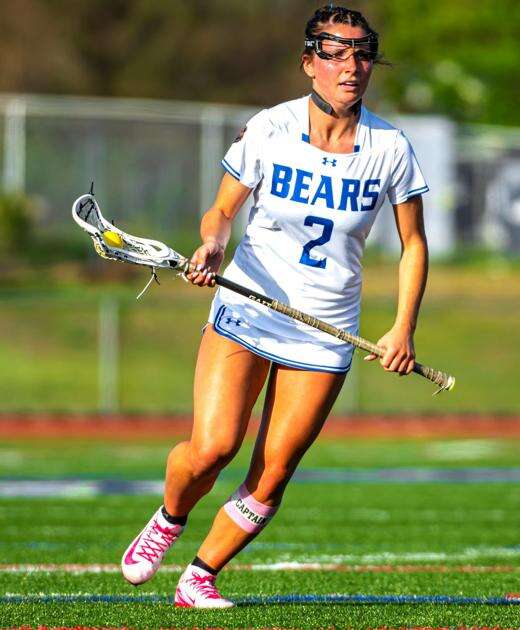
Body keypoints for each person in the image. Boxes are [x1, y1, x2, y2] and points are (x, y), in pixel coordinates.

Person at [121, 5, 429, 608]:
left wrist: (402, 328)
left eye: (362, 54)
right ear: (309, 62)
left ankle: (200, 575)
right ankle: (169, 517)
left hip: (326, 328)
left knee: (274, 470)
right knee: (212, 448)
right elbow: (221, 212)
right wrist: (212, 244)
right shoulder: (270, 127)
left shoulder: (391, 147)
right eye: (336, 54)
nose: (351, 67)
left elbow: (413, 244)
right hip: (251, 306)